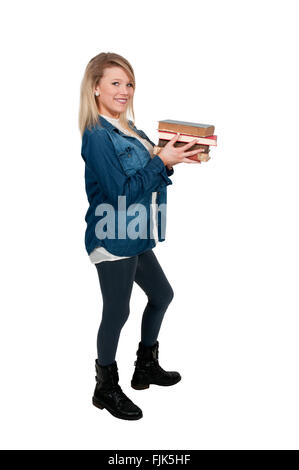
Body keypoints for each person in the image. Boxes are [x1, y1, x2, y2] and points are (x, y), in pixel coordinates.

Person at [78, 52, 205, 421]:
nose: (124, 90)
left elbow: (147, 174)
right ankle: (104, 387)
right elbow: (121, 194)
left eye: (129, 83)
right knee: (117, 311)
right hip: (112, 234)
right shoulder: (97, 135)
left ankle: (145, 366)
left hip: (136, 233)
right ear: (95, 87)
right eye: (115, 83)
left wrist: (173, 158)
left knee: (162, 294)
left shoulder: (130, 127)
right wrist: (160, 162)